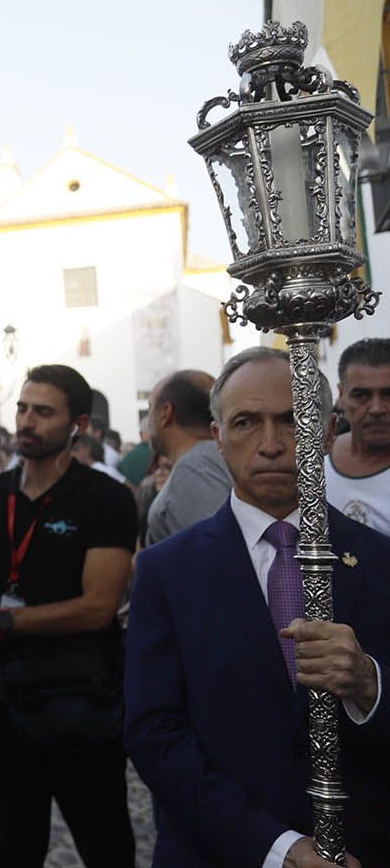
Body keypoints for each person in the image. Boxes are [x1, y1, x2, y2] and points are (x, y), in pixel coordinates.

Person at [126, 346, 389, 866]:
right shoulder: (166, 571)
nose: (271, 445)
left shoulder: (379, 558)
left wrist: (369, 684)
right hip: (219, 849)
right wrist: (276, 847)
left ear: (327, 428)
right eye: (246, 422)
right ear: (219, 436)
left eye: (293, 420)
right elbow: (154, 734)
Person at [0, 364, 136, 867]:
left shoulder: (107, 497)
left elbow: (99, 608)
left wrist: (0, 621)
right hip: (8, 704)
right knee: (10, 852)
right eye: (23, 408)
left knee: (107, 847)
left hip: (83, 704)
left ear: (77, 424)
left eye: (44, 412)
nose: (27, 421)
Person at [142, 369, 232, 547]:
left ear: (165, 413)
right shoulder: (215, 456)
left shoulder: (195, 468)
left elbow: (213, 552)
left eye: (150, 407)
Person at [327, 337, 390, 534]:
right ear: (341, 395)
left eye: (389, 395)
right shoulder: (313, 463)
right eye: (361, 395)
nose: (377, 409)